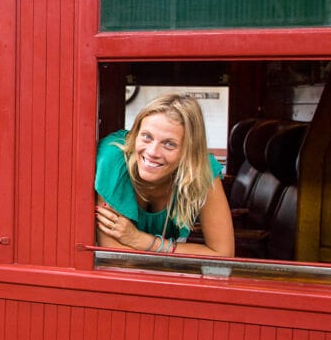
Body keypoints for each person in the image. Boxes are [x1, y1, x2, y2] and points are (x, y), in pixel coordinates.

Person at [94, 93, 234, 257]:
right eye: (146, 136)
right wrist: (171, 252)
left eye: (169, 144)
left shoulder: (201, 170)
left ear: (188, 152)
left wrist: (142, 240)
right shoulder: (113, 158)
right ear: (134, 135)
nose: (152, 152)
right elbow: (113, 255)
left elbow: (223, 254)